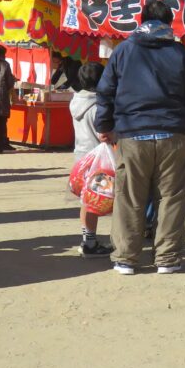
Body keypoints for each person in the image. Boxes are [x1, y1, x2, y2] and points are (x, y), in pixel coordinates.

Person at [95, 0, 185, 275]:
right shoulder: (180, 53)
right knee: (172, 198)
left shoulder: (124, 50)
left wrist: (104, 125)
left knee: (129, 197)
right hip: (174, 134)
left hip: (132, 134)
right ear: (169, 22)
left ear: (141, 20)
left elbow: (105, 91)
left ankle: (126, 259)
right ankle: (167, 259)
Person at [71, 61, 112, 256]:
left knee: (86, 201)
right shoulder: (98, 106)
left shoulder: (75, 101)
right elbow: (104, 134)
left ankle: (88, 240)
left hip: (81, 157)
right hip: (99, 160)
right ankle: (92, 242)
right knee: (103, 200)